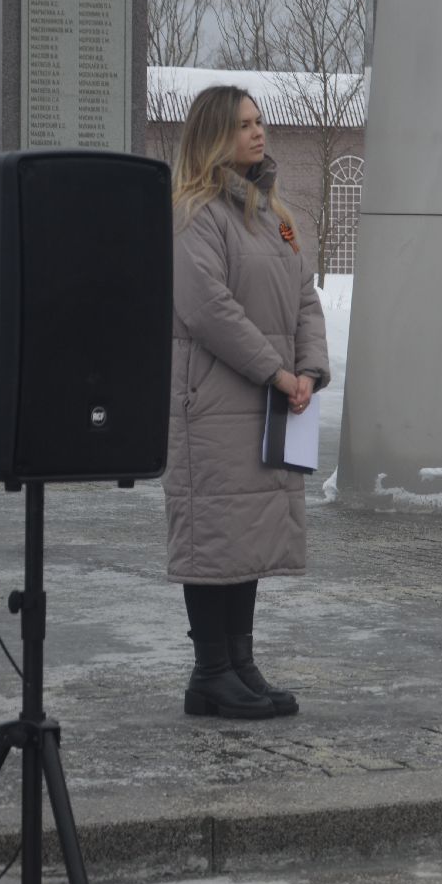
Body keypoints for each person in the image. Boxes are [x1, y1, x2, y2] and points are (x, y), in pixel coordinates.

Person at [165, 85, 329, 718]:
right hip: (212, 402)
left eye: (260, 123)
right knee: (215, 532)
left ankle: (239, 664)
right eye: (243, 125)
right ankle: (210, 671)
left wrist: (308, 369)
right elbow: (207, 308)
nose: (258, 134)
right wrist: (276, 373)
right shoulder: (194, 213)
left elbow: (305, 295)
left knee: (248, 531)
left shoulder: (272, 214)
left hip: (268, 400)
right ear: (213, 136)